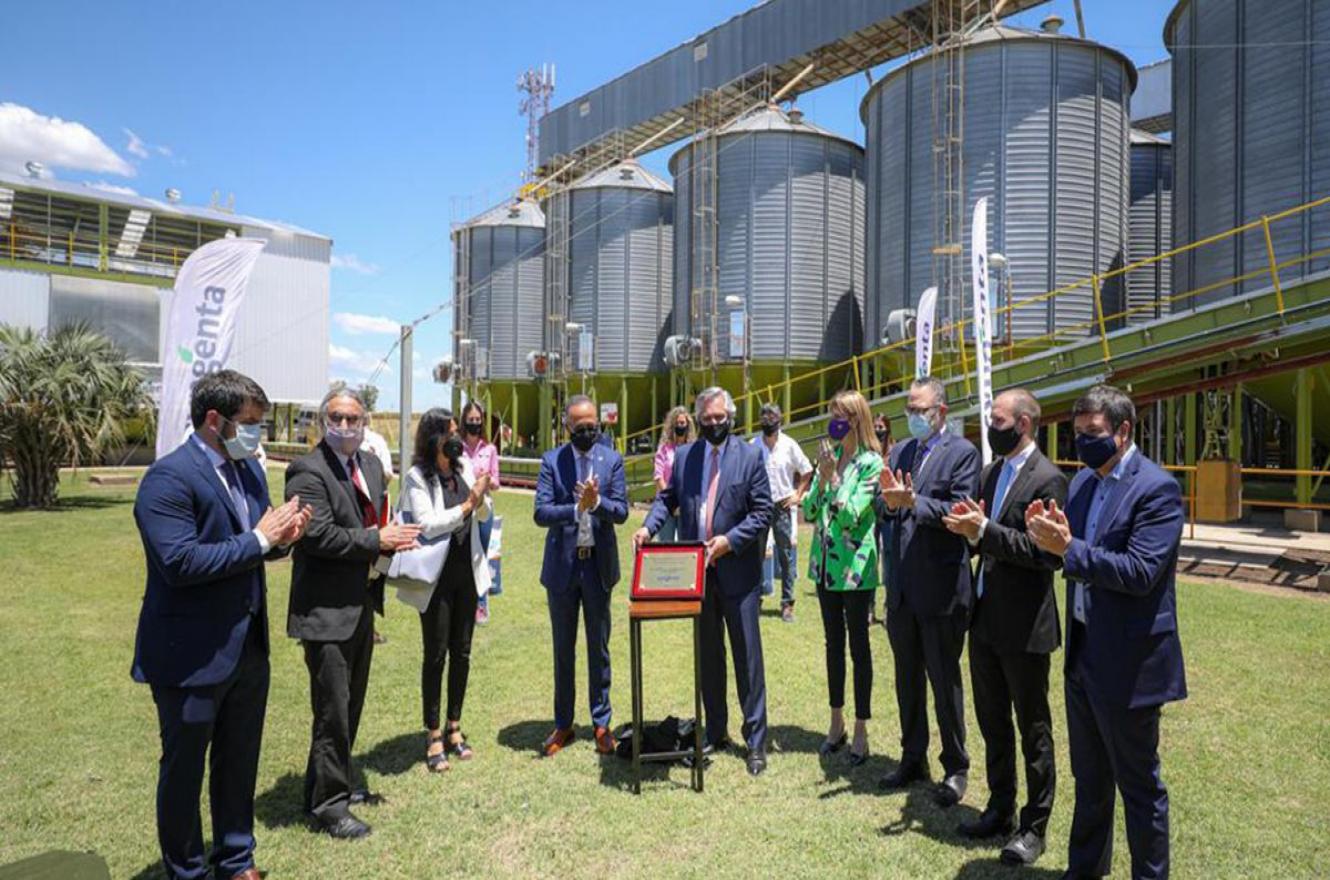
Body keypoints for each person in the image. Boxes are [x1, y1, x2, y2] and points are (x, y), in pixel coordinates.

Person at [131, 370, 312, 880]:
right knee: (184, 772)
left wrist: (285, 538)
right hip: (191, 654)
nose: (259, 434)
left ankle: (236, 860)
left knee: (239, 762)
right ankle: (188, 871)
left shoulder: (249, 471)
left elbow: (254, 548)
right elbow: (181, 562)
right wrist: (260, 539)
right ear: (215, 420)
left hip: (247, 648)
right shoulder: (168, 478)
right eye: (250, 424)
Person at [1026, 385, 1186, 880]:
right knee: (1090, 780)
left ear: (1122, 430)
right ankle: (1085, 871)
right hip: (1084, 654)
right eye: (1076, 434)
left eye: (1092, 433)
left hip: (1130, 662)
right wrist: (1046, 537)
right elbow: (1065, 552)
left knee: (1138, 786)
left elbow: (1140, 572)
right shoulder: (1083, 486)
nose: (1082, 443)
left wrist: (1068, 548)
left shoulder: (1157, 489)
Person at [285, 386, 421, 839]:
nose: (345, 427)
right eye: (337, 418)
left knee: (348, 706)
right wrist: (377, 541)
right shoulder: (307, 471)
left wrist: (393, 544)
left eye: (354, 419)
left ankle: (326, 787)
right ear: (325, 420)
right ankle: (330, 806)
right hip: (325, 611)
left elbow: (377, 520)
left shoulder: (369, 466)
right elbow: (317, 537)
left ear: (366, 423)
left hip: (361, 604)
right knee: (332, 711)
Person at [941, 388, 1067, 867]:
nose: (990, 426)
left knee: (1032, 726)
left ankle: (1033, 826)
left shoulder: (1049, 479)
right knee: (993, 720)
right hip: (986, 618)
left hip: (1026, 625)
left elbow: (1046, 554)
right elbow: (984, 537)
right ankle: (999, 806)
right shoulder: (992, 474)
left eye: (997, 419)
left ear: (1025, 425)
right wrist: (967, 531)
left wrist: (984, 532)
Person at [635, 387, 774, 776]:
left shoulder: (749, 456)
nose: (714, 424)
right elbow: (668, 500)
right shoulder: (684, 456)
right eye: (707, 419)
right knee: (708, 656)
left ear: (731, 416)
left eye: (720, 418)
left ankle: (756, 742)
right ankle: (716, 729)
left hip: (738, 572)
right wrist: (648, 528)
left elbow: (763, 512)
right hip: (697, 572)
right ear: (698, 420)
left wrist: (731, 541)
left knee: (747, 658)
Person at [878, 376, 979, 806]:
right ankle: (912, 756)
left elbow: (960, 510)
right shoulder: (901, 450)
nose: (912, 416)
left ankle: (955, 766)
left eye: (919, 410)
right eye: (909, 409)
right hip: (902, 589)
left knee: (944, 682)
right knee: (907, 681)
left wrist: (912, 501)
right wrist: (887, 500)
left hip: (940, 590)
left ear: (940, 411)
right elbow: (885, 503)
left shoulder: (962, 453)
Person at [533, 395, 629, 757]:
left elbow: (620, 511)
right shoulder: (552, 461)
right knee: (564, 648)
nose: (588, 432)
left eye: (593, 426)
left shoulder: (612, 460)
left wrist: (598, 503)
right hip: (563, 567)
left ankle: (602, 722)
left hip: (598, 566)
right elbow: (541, 512)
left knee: (598, 647)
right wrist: (577, 508)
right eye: (580, 427)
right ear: (567, 427)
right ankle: (563, 723)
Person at [401, 409, 493, 773]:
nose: (457, 438)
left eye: (458, 431)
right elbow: (426, 524)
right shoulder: (416, 477)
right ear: (433, 437)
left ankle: (455, 726)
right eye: (450, 432)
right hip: (435, 578)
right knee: (436, 654)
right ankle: (434, 732)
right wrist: (468, 506)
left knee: (463, 652)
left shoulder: (463, 467)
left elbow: (484, 516)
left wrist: (481, 500)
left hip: (466, 574)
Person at [802, 390, 883, 765]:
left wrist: (833, 480)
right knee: (832, 644)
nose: (835, 420)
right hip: (825, 567)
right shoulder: (830, 458)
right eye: (832, 413)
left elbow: (852, 514)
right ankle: (836, 723)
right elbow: (809, 510)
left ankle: (862, 726)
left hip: (854, 570)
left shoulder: (872, 463)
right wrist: (821, 475)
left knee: (858, 648)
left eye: (842, 414)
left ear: (856, 419)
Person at [752, 403, 812, 623]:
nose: (768, 420)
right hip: (759, 506)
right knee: (756, 554)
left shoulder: (789, 445)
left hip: (783, 506)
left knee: (786, 556)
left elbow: (806, 470)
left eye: (772, 416)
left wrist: (798, 495)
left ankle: (787, 603)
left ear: (780, 419)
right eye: (764, 416)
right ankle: (756, 598)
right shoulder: (753, 445)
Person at [460, 400, 500, 625]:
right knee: (463, 555)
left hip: (484, 507)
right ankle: (465, 601)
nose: (475, 423)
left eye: (478, 420)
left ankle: (481, 604)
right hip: (462, 507)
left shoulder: (490, 449)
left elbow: (497, 481)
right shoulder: (457, 447)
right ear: (464, 421)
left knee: (481, 556)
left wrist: (487, 479)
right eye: (471, 420)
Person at [653, 406, 695, 541]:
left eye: (682, 423)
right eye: (676, 423)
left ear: (688, 425)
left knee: (686, 546)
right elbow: (658, 476)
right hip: (666, 504)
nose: (679, 426)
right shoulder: (664, 449)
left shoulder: (694, 449)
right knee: (665, 545)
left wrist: (682, 502)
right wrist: (671, 501)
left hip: (686, 505)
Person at [871, 413, 895, 626]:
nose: (878, 430)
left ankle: (888, 607)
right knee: (871, 557)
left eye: (881, 427)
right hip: (870, 511)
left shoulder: (894, 452)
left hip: (888, 512)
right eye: (875, 426)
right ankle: (869, 608)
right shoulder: (869, 451)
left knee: (889, 558)